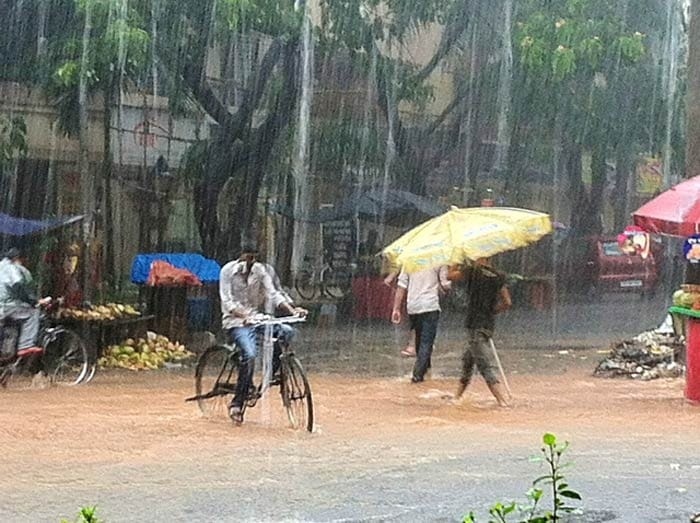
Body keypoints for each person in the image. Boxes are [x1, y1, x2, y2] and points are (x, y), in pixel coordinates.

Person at [219, 242, 307, 423]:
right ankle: (237, 403)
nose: (251, 262)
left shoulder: (260, 271)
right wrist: (243, 314)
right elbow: (227, 301)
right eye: (247, 257)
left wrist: (291, 310)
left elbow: (273, 294)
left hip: (258, 319)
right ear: (240, 256)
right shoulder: (227, 271)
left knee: (287, 332)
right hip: (236, 322)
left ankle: (272, 371)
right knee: (250, 355)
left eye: (254, 257)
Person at [450, 258, 511, 407]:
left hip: (474, 325)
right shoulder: (498, 275)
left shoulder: (472, 271)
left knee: (484, 366)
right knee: (468, 360)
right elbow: (507, 302)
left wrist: (454, 259)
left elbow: (450, 276)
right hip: (488, 325)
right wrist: (491, 311)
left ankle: (502, 401)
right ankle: (457, 397)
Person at [391, 266, 450, 383]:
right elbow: (445, 285)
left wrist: (396, 308)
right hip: (430, 306)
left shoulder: (409, 259)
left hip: (413, 306)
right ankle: (417, 375)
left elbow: (401, 286)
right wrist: (448, 283)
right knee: (426, 342)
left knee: (419, 339)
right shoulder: (439, 259)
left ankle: (427, 370)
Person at [0, 247, 47, 360]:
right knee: (33, 312)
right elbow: (18, 286)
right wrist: (33, 301)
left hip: (4, 307)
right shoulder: (11, 268)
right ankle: (26, 345)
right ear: (16, 258)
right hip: (7, 306)